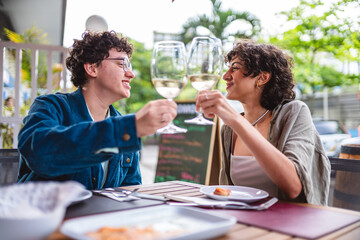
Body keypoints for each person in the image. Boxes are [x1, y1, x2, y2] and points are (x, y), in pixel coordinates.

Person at [17, 31, 177, 189]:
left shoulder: (126, 125)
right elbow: (39, 154)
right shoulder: (51, 106)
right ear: (92, 68)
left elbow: (130, 192)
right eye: (122, 64)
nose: (131, 74)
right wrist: (130, 129)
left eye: (130, 66)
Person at [196, 40, 330, 205]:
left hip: (289, 223)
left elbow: (294, 187)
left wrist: (236, 120)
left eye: (235, 68)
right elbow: (227, 192)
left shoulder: (294, 112)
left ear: (262, 78)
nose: (225, 75)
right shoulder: (229, 131)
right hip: (245, 219)